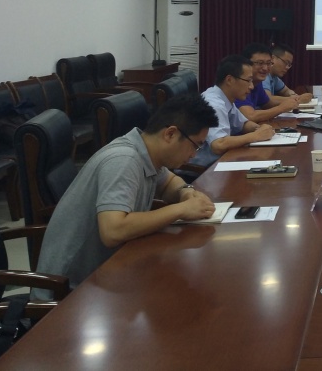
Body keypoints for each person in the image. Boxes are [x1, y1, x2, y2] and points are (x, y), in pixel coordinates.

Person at [33, 94, 219, 296]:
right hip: (69, 292)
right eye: (195, 145)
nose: (194, 154)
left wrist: (186, 192)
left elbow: (168, 183)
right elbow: (113, 231)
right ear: (170, 134)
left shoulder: (147, 152)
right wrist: (181, 209)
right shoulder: (124, 160)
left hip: (110, 271)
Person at [189, 54, 275, 168]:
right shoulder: (213, 104)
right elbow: (218, 145)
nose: (251, 86)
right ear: (229, 80)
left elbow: (243, 124)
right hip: (203, 170)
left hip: (221, 162)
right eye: (248, 80)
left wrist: (259, 128)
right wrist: (256, 135)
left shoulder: (226, 98)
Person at [236, 42, 301, 123]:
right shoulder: (238, 83)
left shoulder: (257, 82)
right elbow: (250, 116)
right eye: (260, 63)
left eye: (268, 63)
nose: (265, 68)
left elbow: (267, 103)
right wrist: (281, 108)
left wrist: (291, 101)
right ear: (246, 63)